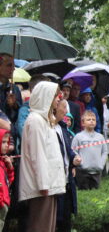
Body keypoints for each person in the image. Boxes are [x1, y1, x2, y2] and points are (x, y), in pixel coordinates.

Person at [19, 81, 66, 231]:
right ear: (45, 97)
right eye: (55, 96)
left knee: (48, 227)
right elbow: (37, 155)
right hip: (42, 187)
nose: (58, 98)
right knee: (40, 227)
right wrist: (43, 184)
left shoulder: (44, 121)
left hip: (48, 185)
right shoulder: (35, 121)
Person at [53, 95, 81, 232]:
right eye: (63, 106)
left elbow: (68, 150)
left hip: (67, 182)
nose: (66, 110)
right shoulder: (49, 128)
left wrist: (74, 158)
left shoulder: (63, 128)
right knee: (54, 221)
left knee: (66, 221)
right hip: (55, 183)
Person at [72, 111, 108, 189]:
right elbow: (74, 151)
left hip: (97, 171)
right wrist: (79, 161)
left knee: (96, 193)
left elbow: (105, 151)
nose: (91, 121)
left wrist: (101, 164)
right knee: (84, 192)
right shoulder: (78, 137)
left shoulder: (100, 137)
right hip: (82, 171)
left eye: (93, 119)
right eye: (88, 119)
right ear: (83, 123)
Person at [0, 128, 15, 230]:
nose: (7, 145)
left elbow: (8, 182)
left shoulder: (3, 161)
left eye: (7, 142)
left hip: (4, 205)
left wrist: (9, 168)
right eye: (3, 142)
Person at [0, 53, 19, 132]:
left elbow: (19, 115)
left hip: (10, 134)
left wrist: (14, 105)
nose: (13, 68)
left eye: (13, 65)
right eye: (9, 65)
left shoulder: (14, 89)